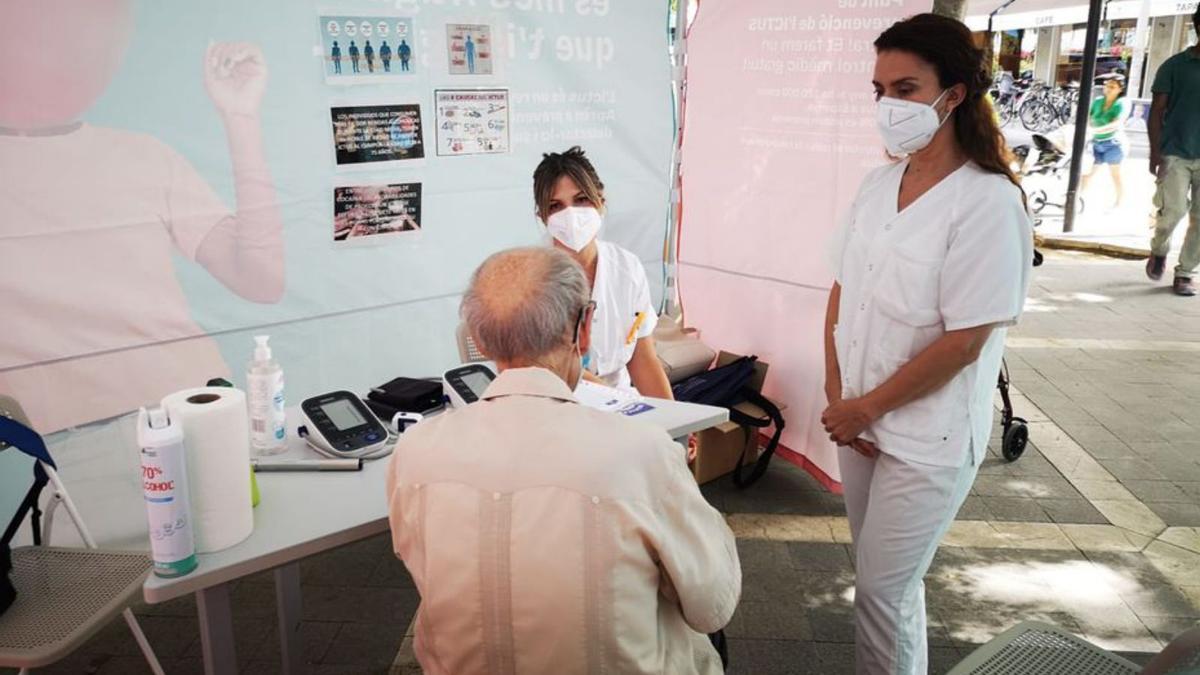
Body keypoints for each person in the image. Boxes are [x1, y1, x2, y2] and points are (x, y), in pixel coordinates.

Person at [386, 246, 740, 674]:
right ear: (585, 328)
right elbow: (712, 605)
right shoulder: (643, 453)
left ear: (477, 341)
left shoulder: (415, 452)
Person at [822, 13, 1032, 675]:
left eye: (906, 88)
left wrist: (868, 406)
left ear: (955, 95)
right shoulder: (878, 184)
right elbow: (840, 292)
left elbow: (966, 341)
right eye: (879, 90)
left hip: (928, 435)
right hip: (860, 418)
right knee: (881, 582)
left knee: (883, 589)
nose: (888, 105)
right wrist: (841, 398)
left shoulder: (988, 203)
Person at [0, 1, 284, 433]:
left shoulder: (143, 157)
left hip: (191, 412)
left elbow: (261, 280)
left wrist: (240, 117)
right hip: (68, 440)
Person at [532, 147, 674, 400]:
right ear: (542, 216)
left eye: (581, 199)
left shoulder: (627, 267)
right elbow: (559, 370)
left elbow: (643, 359)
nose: (571, 215)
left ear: (600, 201)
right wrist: (628, 411)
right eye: (556, 206)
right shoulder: (531, 278)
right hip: (559, 403)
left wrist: (675, 420)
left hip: (621, 403)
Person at [1146, 5, 1200, 297]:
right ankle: (1159, 249)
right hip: (1175, 153)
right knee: (1174, 211)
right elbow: (1156, 112)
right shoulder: (1174, 66)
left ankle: (1185, 273)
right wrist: (1155, 152)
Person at [1080, 74, 1128, 210]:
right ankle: (1078, 199)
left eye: (1112, 87)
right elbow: (1089, 118)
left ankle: (1119, 202)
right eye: (1107, 86)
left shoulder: (1121, 103)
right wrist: (1090, 130)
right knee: (1088, 173)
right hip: (1096, 143)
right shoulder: (1098, 101)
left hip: (1113, 144)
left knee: (1115, 175)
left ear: (1120, 89)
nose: (1108, 89)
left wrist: (1097, 130)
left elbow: (1116, 123)